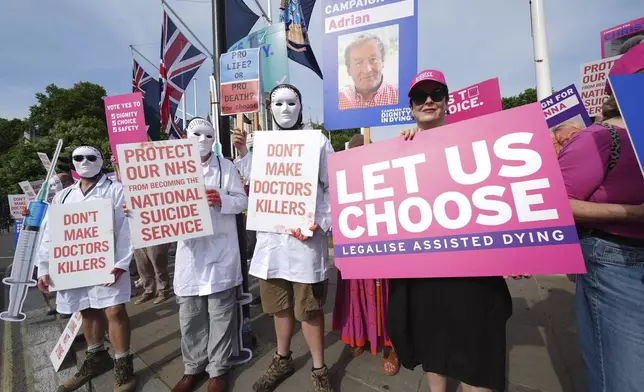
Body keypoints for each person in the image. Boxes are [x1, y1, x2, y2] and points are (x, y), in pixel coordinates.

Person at [389, 70, 515, 392]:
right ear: (411, 106)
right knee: (433, 344)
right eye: (420, 96)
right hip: (422, 270)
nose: (428, 101)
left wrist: (516, 252)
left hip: (469, 270)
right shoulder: (398, 150)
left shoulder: (473, 143)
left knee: (478, 355)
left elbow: (499, 196)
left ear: (447, 101)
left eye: (436, 94)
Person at [125, 118, 248, 392]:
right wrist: (135, 211)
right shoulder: (168, 169)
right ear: (185, 137)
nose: (201, 139)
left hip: (220, 254)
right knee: (190, 316)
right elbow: (153, 204)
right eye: (196, 134)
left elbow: (242, 201)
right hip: (190, 257)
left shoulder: (225, 167)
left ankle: (218, 370)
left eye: (207, 135)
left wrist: (222, 200)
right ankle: (193, 367)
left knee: (220, 315)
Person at [232, 84, 334, 392]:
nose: (285, 108)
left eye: (292, 103)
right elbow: (255, 181)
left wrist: (321, 221)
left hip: (305, 244)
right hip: (272, 244)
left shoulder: (318, 141)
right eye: (278, 103)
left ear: (301, 107)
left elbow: (334, 187)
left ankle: (319, 369)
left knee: (310, 310)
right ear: (271, 108)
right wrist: (242, 153)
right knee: (279, 306)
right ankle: (282, 358)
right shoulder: (261, 144)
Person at [558, 93, 644, 392]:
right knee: (626, 376)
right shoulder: (599, 138)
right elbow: (559, 203)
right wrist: (635, 214)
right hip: (618, 260)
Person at [36, 145, 136, 392]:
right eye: (78, 158)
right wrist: (44, 268)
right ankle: (96, 359)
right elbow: (50, 234)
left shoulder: (117, 190)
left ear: (101, 161)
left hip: (110, 263)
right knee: (86, 309)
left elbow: (128, 228)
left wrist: (121, 263)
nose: (85, 161)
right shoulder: (64, 196)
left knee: (114, 310)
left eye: (91, 157)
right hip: (75, 266)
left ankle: (124, 366)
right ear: (72, 163)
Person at [331, 133, 399, 376]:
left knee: (385, 296)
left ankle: (391, 345)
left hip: (382, 246)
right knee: (355, 294)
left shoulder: (387, 173)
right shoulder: (343, 177)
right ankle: (359, 336)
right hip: (354, 246)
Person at [111, 156, 172, 305]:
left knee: (157, 260)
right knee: (142, 263)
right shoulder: (125, 185)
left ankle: (163, 290)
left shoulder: (154, 182)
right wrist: (116, 164)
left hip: (154, 226)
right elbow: (121, 179)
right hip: (136, 228)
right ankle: (149, 290)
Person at [338, 34, 399, 110]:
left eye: (373, 59)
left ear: (382, 62)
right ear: (348, 70)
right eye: (359, 63)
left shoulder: (399, 95)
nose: (367, 70)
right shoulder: (339, 98)